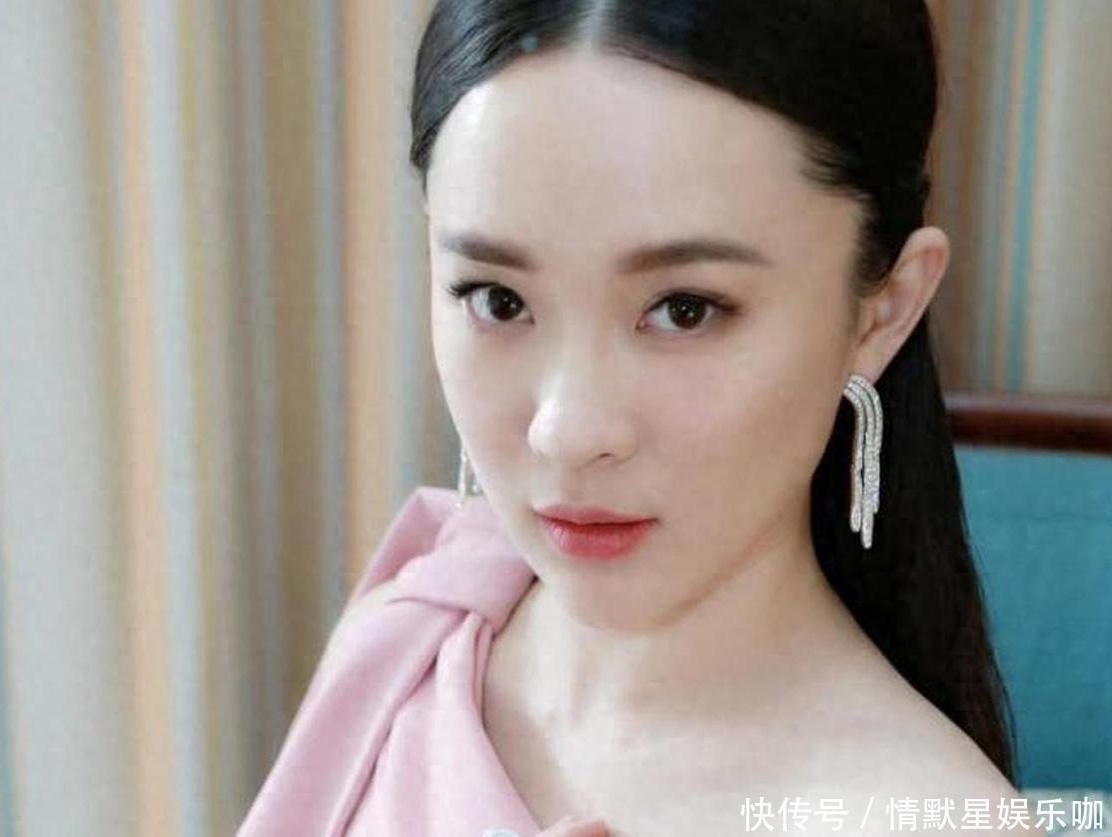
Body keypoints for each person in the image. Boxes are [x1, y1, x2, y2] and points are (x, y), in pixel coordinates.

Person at [240, 1, 1046, 834]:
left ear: (885, 310)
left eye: (685, 310)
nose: (568, 430)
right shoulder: (418, 621)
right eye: (498, 298)